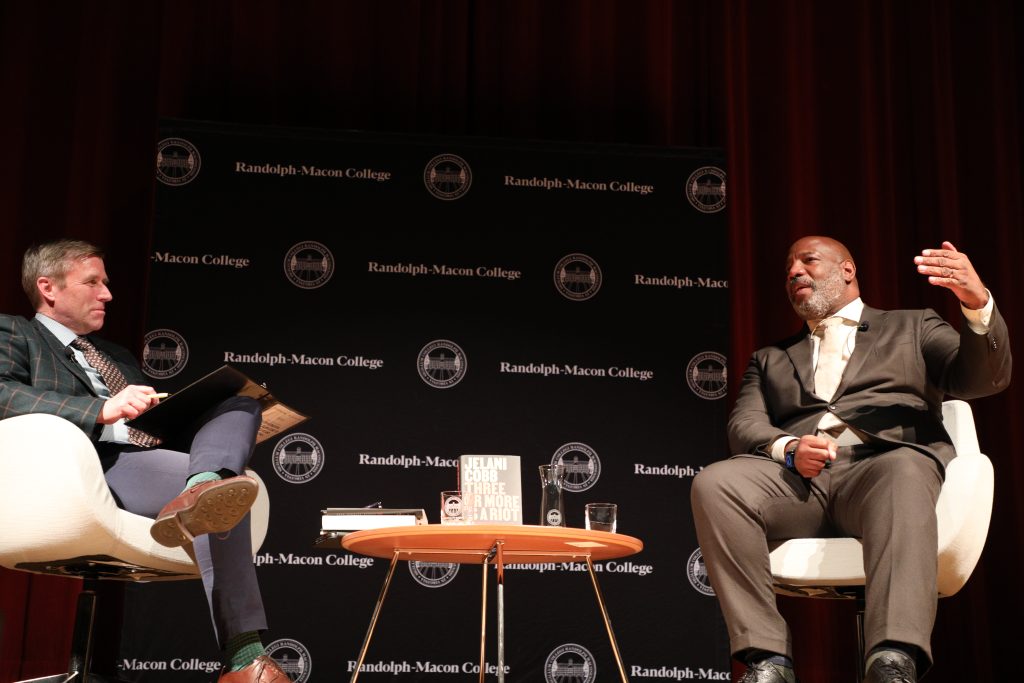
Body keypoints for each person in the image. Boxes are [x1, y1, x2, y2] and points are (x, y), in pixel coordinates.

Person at [691, 236, 1011, 683]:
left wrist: (978, 306)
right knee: (716, 483)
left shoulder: (914, 326)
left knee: (903, 467)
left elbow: (981, 379)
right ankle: (767, 661)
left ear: (847, 269)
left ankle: (892, 658)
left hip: (882, 471)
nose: (794, 272)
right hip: (800, 485)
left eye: (808, 261)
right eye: (789, 268)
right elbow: (744, 424)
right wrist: (788, 449)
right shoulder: (771, 359)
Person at [0, 239, 287, 683]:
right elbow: (3, 394)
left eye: (106, 283)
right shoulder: (14, 333)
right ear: (48, 287)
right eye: (92, 282)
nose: (107, 294)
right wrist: (100, 409)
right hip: (83, 467)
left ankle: (204, 482)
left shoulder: (117, 357)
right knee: (221, 492)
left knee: (239, 406)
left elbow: (149, 428)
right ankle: (243, 658)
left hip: (143, 457)